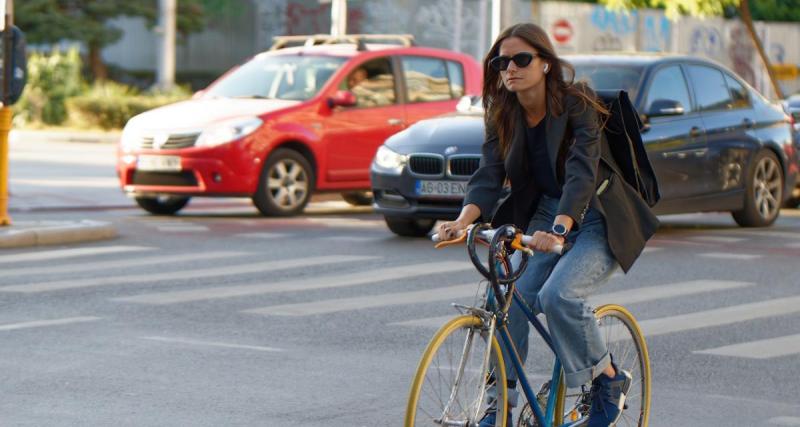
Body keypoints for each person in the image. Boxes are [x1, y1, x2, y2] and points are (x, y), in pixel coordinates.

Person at [436, 23, 658, 427]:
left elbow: (581, 172)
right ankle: (498, 404)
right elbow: (489, 173)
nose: (510, 68)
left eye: (522, 59)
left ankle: (609, 379)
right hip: (544, 214)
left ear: (545, 64)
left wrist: (558, 230)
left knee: (560, 297)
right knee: (507, 299)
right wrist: (462, 221)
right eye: (502, 62)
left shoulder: (578, 104)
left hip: (598, 217)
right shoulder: (503, 112)